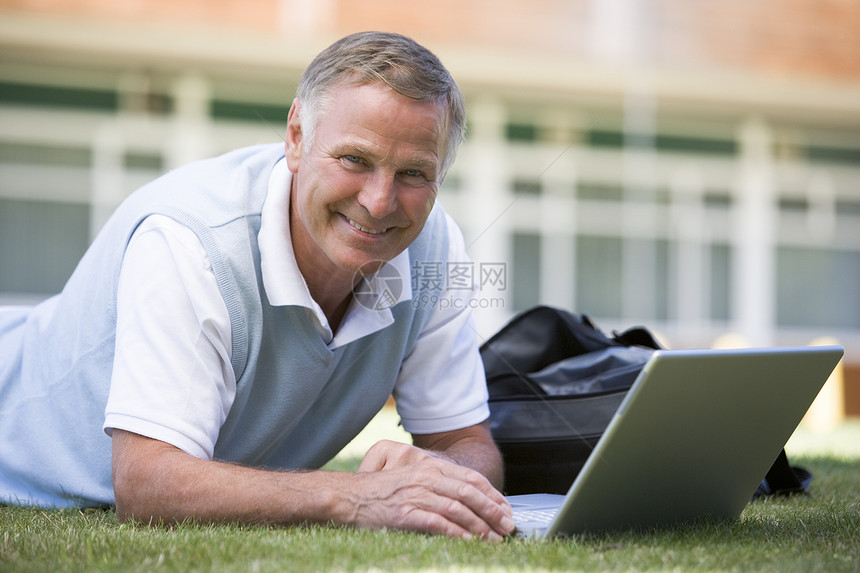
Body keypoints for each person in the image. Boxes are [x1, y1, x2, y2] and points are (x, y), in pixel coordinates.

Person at [0, 31, 515, 542]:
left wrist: (435, 473)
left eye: (414, 172)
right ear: (296, 137)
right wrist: (361, 498)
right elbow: (148, 484)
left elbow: (466, 441)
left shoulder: (434, 244)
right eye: (355, 159)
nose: (380, 202)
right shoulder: (190, 243)